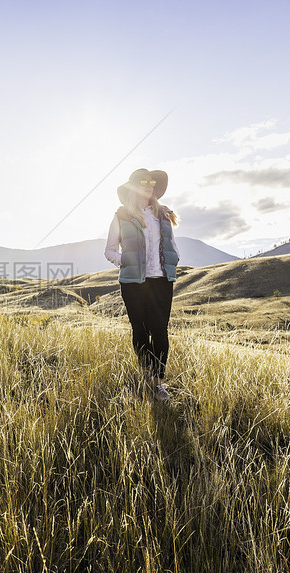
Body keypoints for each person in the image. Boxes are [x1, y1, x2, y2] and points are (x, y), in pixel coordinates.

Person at [104, 168, 179, 401]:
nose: (149, 184)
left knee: (159, 331)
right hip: (133, 283)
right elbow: (109, 249)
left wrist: (174, 259)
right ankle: (145, 370)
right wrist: (123, 261)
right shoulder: (122, 216)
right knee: (140, 330)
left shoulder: (163, 215)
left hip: (161, 280)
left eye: (152, 182)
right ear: (134, 187)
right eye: (143, 181)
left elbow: (172, 246)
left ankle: (158, 383)